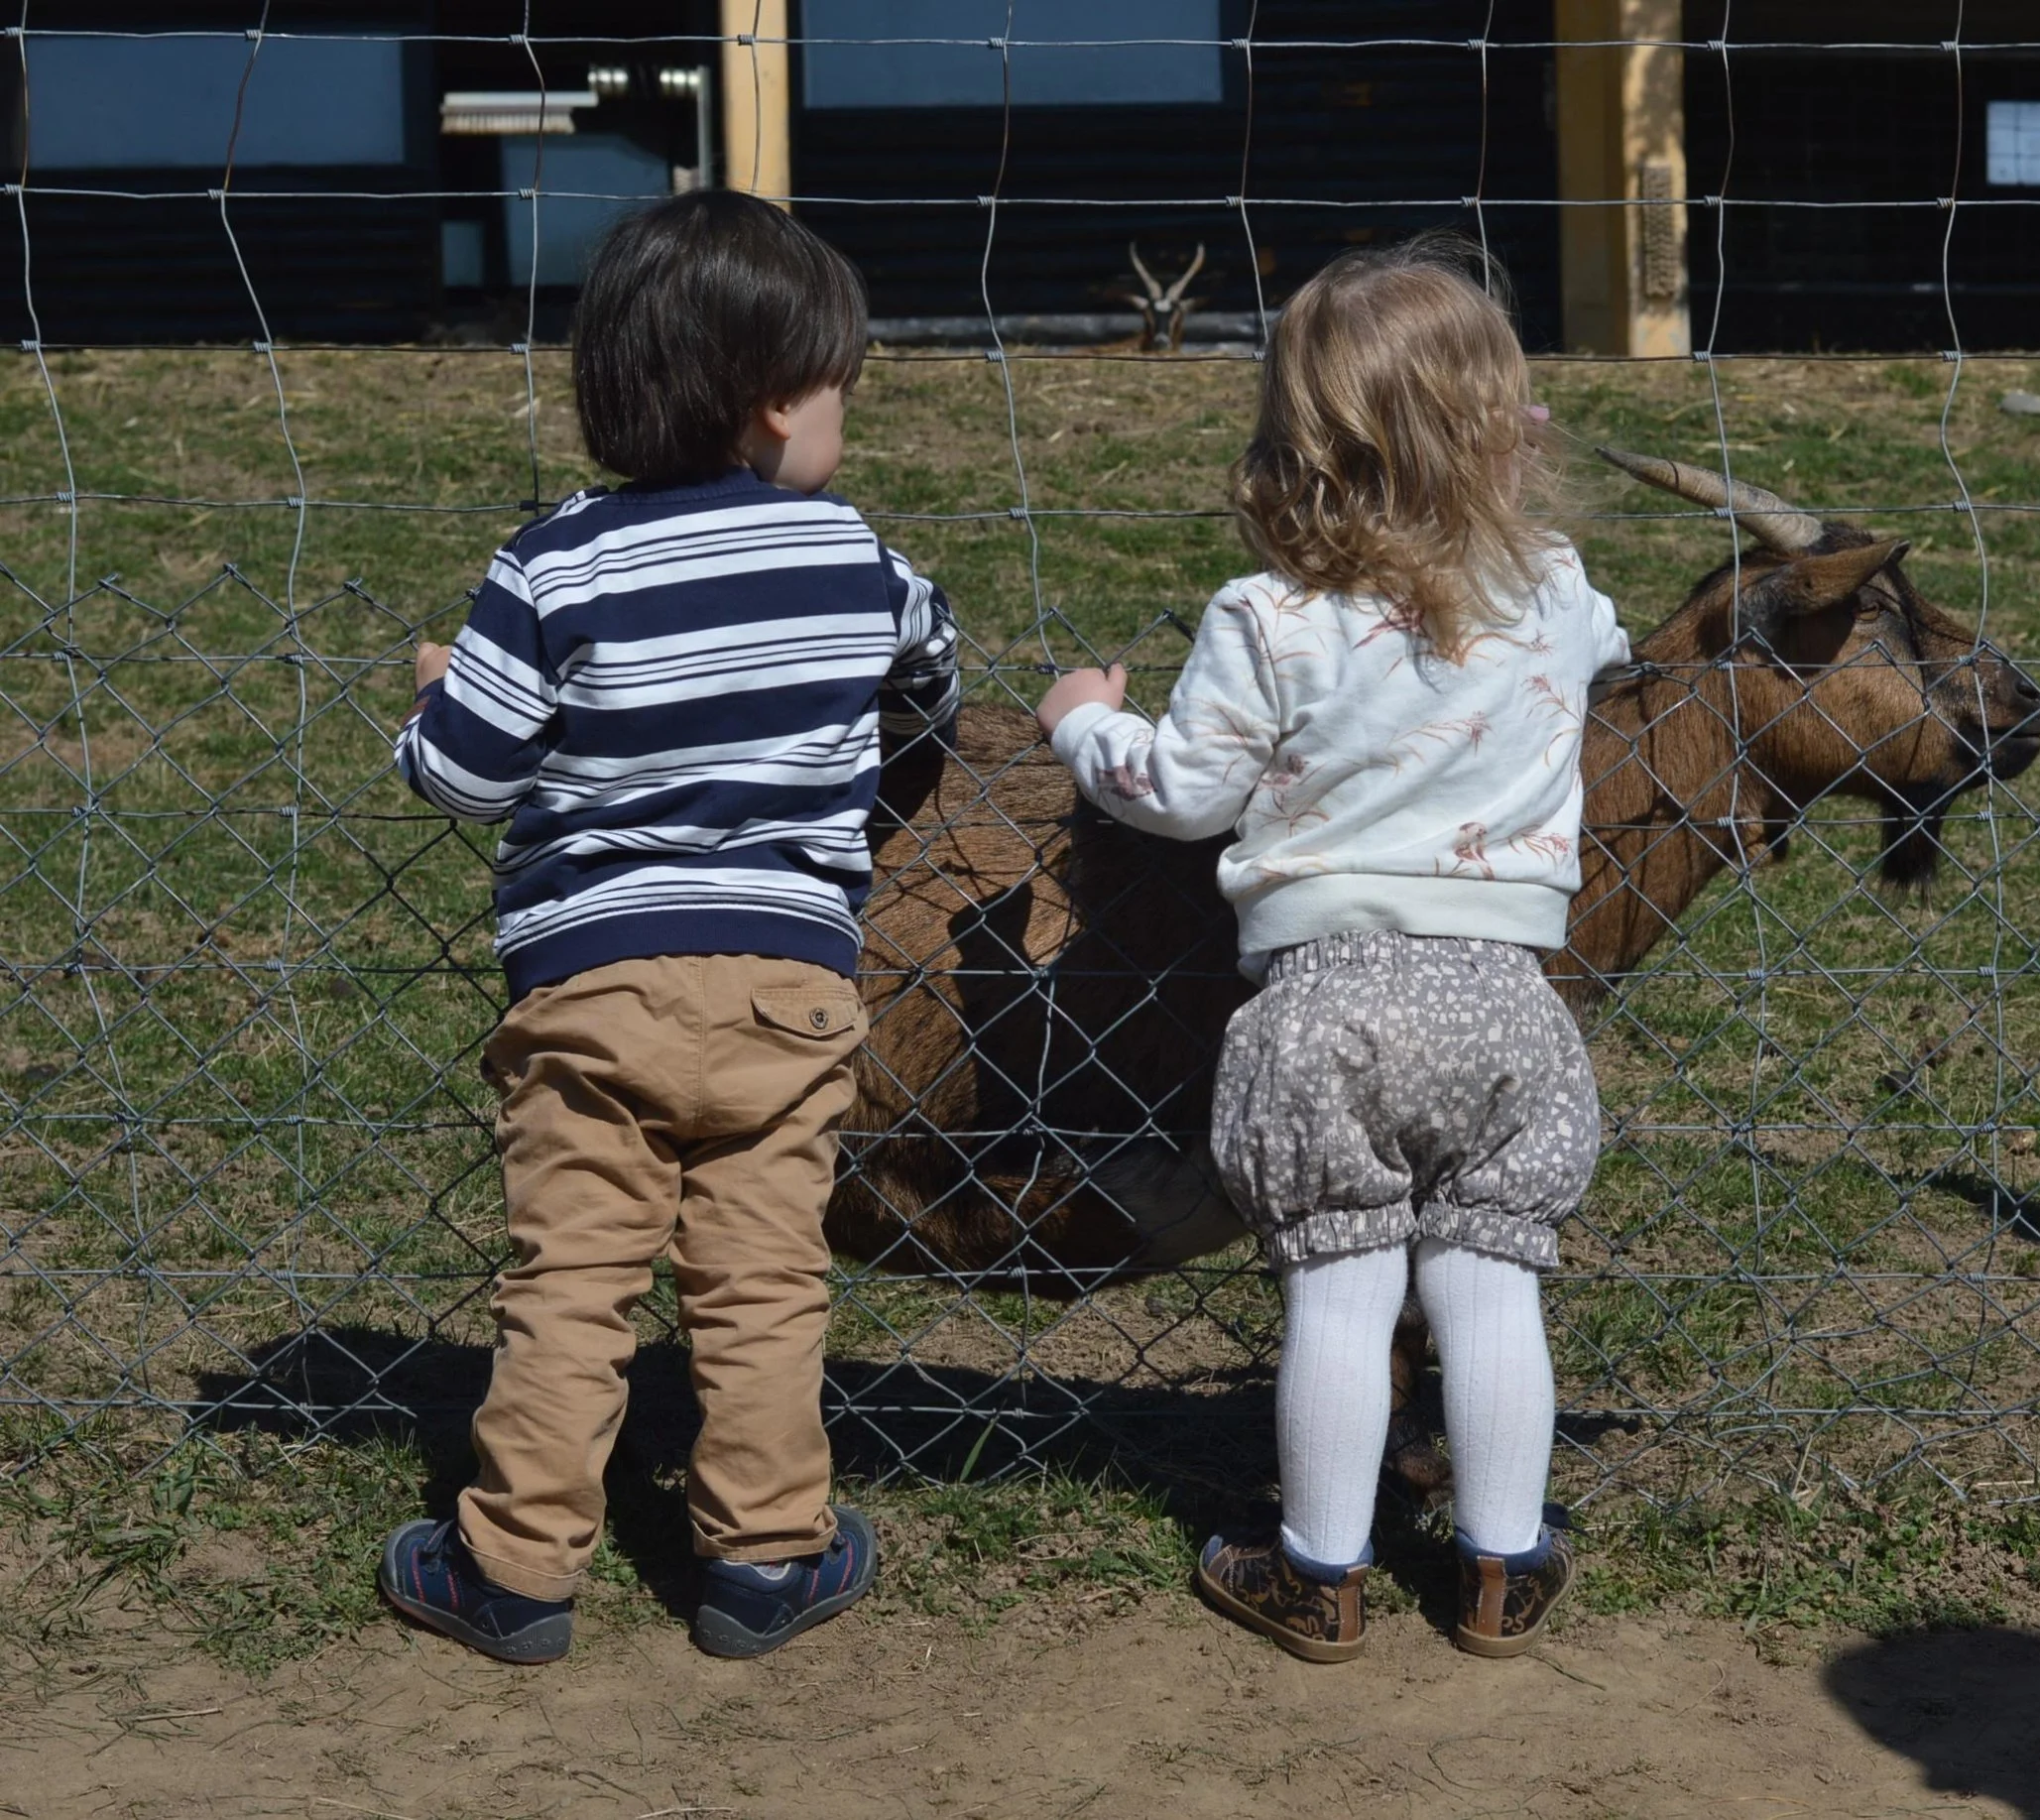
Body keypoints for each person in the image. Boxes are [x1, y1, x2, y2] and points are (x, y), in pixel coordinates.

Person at [380, 191, 960, 1664]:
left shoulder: (554, 562)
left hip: (595, 994)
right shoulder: (855, 561)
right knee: (764, 1282)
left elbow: (466, 769)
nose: (848, 421)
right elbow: (932, 681)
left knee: (570, 1281)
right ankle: (767, 1558)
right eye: (843, 390)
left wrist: (437, 702)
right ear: (774, 406)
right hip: (788, 992)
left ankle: (513, 1569)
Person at [1035, 234, 1628, 1663]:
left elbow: (1177, 790)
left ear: (1297, 445)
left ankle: (1320, 1568)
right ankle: (1500, 1567)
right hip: (1506, 1010)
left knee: (1342, 1287)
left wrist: (1080, 722)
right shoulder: (1552, 589)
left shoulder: (1269, 619)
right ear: (1503, 432)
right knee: (1492, 1282)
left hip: (1331, 1011)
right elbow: (1601, 644)